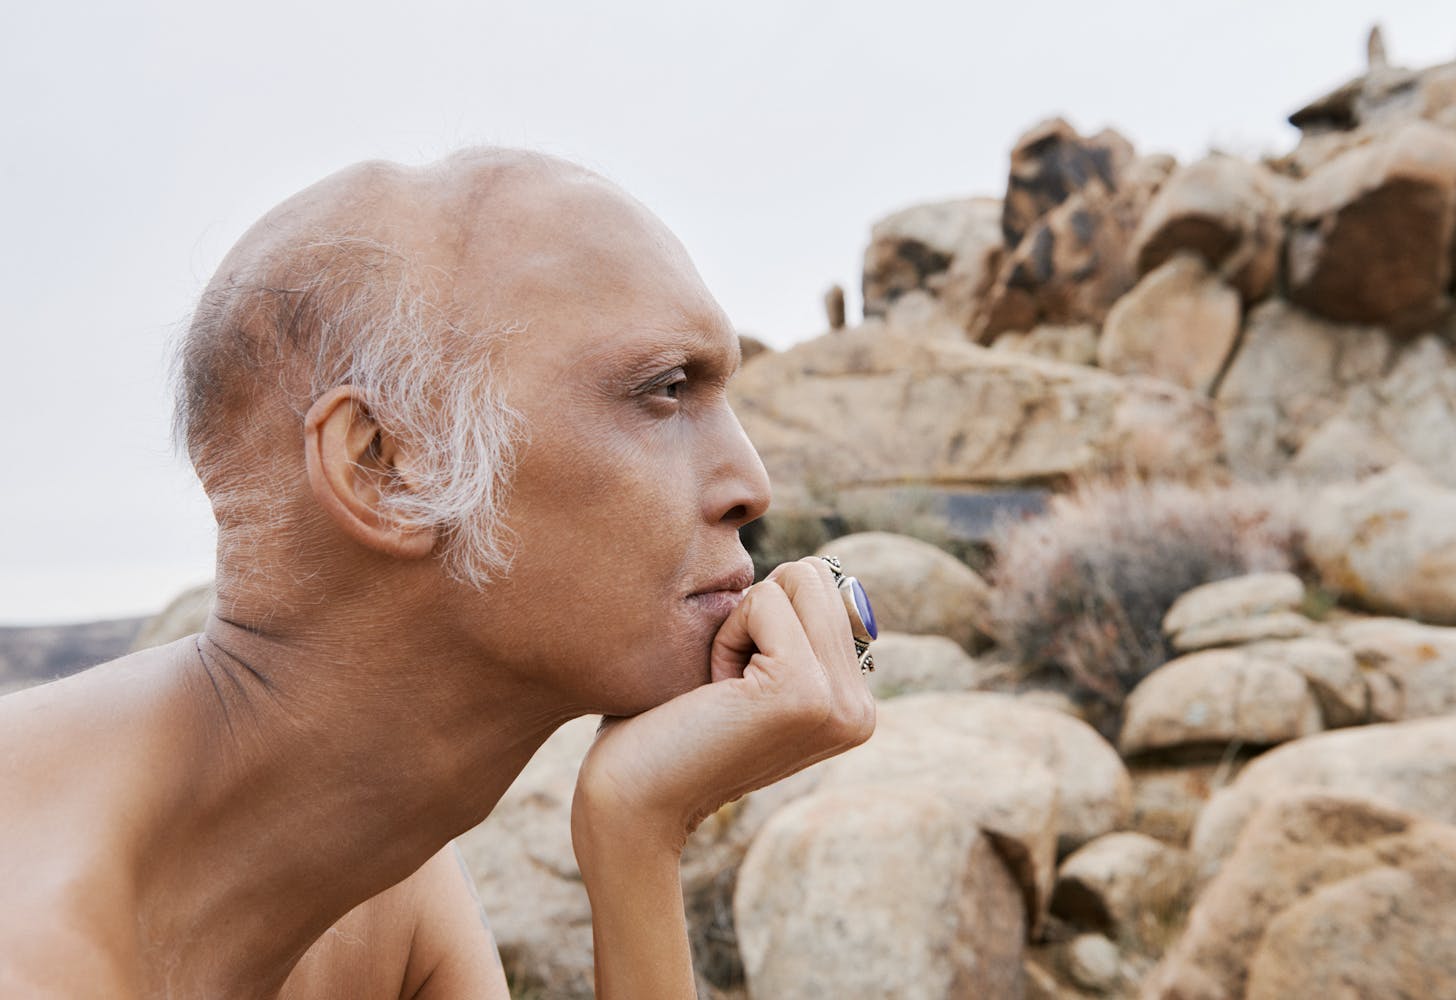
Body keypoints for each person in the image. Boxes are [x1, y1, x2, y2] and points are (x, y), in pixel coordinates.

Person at [0, 148, 876, 998]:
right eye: (664, 389)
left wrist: (638, 838)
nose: (751, 486)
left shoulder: (380, 892)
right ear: (382, 466)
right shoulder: (32, 934)